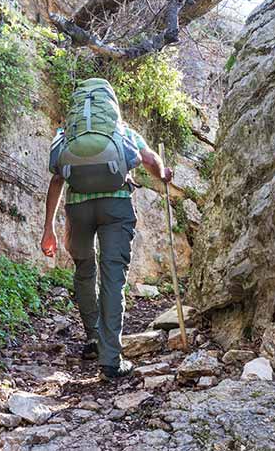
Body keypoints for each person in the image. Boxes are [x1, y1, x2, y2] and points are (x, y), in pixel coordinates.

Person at [40, 124, 173, 380]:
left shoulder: (67, 133)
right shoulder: (120, 129)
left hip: (78, 208)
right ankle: (111, 360)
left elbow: (57, 178)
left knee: (84, 269)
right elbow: (149, 159)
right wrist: (163, 174)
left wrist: (48, 228)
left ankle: (93, 337)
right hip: (116, 205)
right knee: (113, 275)